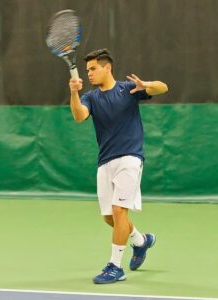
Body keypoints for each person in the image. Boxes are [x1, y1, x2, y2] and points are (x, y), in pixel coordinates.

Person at [69, 48, 168, 284]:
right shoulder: (90, 97)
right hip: (105, 161)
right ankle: (141, 241)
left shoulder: (127, 88)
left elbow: (164, 87)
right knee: (109, 218)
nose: (90, 74)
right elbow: (79, 116)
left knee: (119, 210)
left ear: (107, 67)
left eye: (93, 68)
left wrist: (147, 84)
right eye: (87, 70)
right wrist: (74, 93)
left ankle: (115, 267)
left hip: (130, 157)